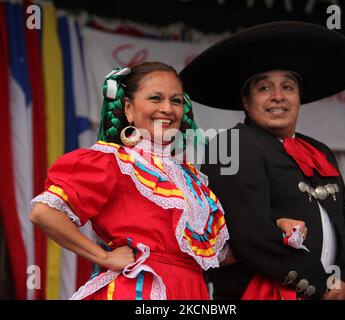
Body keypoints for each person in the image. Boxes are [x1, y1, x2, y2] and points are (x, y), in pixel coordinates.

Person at [180, 21, 345, 300]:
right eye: (264, 88)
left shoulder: (320, 150)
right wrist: (316, 282)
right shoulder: (228, 144)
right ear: (245, 100)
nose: (278, 96)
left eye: (287, 87)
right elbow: (246, 231)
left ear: (299, 97)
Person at [29, 61, 231, 300]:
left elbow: (222, 254)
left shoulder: (191, 179)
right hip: (140, 290)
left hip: (192, 291)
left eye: (176, 100)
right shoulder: (112, 161)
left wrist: (280, 231)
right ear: (128, 109)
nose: (167, 108)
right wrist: (103, 257)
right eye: (155, 98)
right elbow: (44, 213)